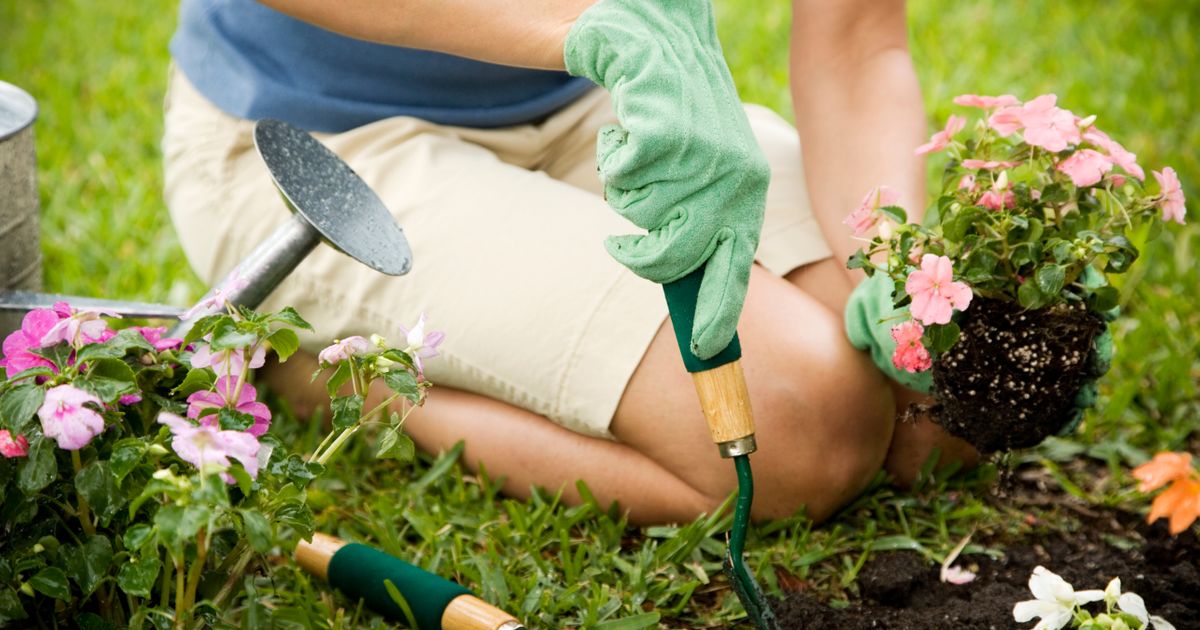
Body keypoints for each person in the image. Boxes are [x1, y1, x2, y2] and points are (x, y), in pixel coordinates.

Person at [163, 0, 978, 526]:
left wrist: (891, 269)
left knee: (939, 414)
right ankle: (333, 374)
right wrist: (591, 29)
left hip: (594, 97)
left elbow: (857, 41)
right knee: (798, 438)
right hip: (320, 148)